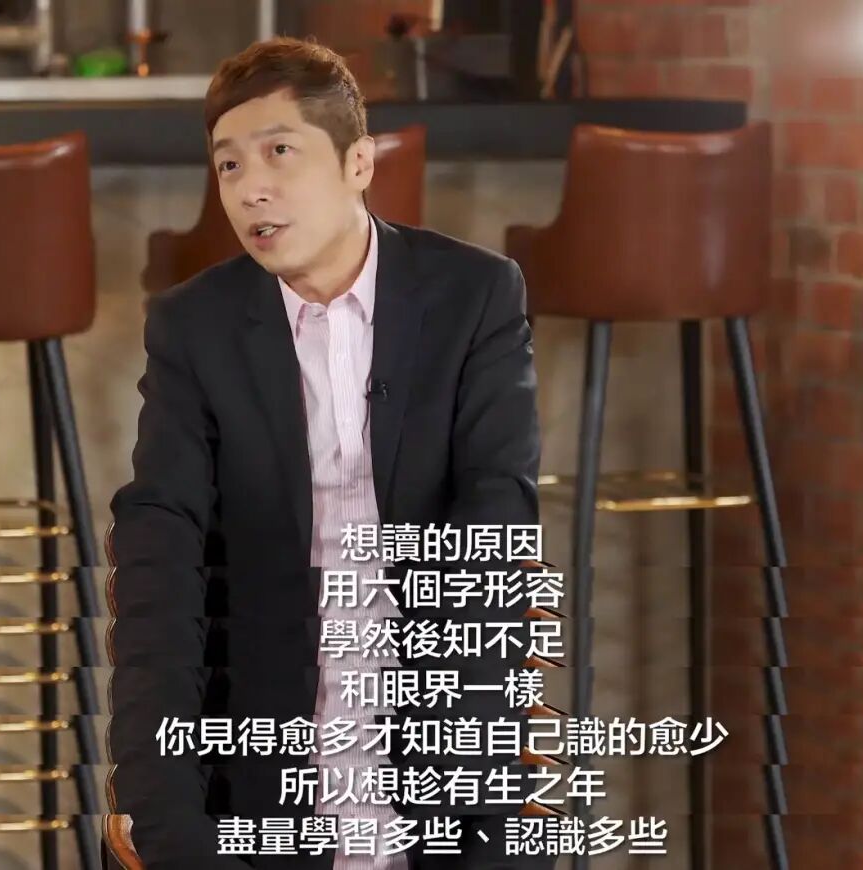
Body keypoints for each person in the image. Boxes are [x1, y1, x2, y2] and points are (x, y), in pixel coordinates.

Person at [106, 36, 547, 870]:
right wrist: (168, 819)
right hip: (268, 761)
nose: (251, 188)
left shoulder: (475, 296)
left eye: (280, 152)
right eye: (229, 165)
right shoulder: (194, 328)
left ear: (358, 163)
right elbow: (160, 560)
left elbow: (494, 524)